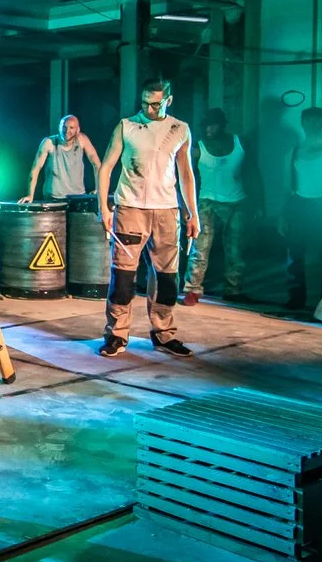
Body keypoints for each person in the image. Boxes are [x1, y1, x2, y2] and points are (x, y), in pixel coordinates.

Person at [97, 80, 198, 357]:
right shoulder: (126, 126)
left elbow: (186, 174)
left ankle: (164, 334)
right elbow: (106, 168)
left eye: (155, 103)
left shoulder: (180, 129)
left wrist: (193, 214)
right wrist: (104, 208)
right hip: (130, 209)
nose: (149, 108)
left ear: (169, 100)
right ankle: (116, 334)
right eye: (144, 103)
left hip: (167, 211)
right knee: (124, 277)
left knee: (167, 278)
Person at [280, 106, 322, 311]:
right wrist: (282, 215)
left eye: (318, 120)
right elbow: (287, 186)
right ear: (302, 123)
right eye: (309, 120)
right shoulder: (293, 150)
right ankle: (296, 297)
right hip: (298, 204)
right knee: (296, 255)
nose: (313, 124)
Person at [185, 108, 253, 303]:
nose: (207, 129)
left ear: (222, 125)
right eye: (205, 125)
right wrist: (187, 207)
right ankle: (192, 289)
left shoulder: (240, 143)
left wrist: (258, 201)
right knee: (201, 248)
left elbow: (252, 171)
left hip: (237, 201)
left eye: (212, 124)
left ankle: (234, 289)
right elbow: (186, 177)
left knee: (235, 249)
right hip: (207, 201)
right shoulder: (198, 148)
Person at [23, 114, 103, 202]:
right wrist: (30, 195)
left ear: (78, 129)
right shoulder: (49, 143)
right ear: (59, 127)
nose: (67, 131)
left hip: (78, 197)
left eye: (71, 128)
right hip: (54, 198)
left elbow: (97, 165)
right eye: (64, 127)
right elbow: (35, 169)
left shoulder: (82, 140)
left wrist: (99, 189)